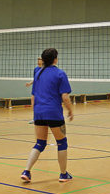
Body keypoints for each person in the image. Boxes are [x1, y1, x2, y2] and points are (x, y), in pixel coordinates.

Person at [21, 48, 74, 183]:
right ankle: (63, 174)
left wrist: (36, 112)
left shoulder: (37, 72)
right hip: (54, 113)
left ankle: (26, 171)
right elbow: (65, 97)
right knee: (62, 142)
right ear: (55, 59)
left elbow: (33, 96)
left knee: (40, 143)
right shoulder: (60, 74)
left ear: (43, 59)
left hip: (39, 113)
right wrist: (70, 110)